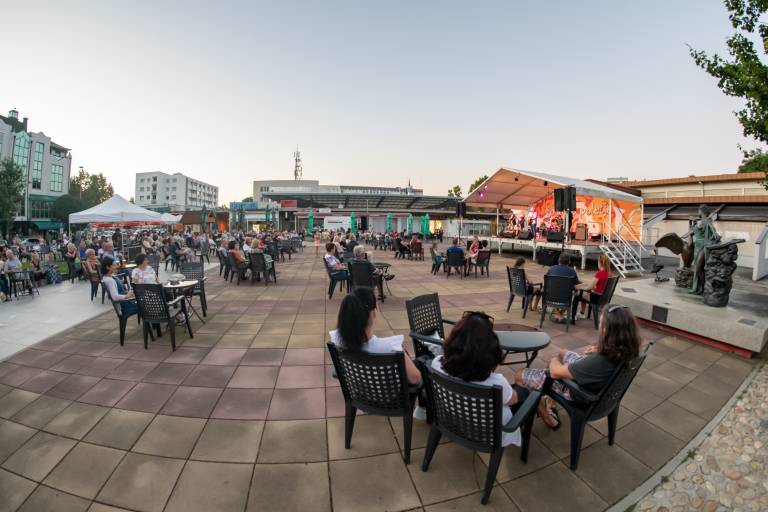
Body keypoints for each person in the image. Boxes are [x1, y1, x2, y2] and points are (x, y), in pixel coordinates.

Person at [515, 304, 641, 429]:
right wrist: (599, 349)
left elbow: (554, 372)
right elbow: (596, 363)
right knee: (562, 353)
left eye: (601, 325)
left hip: (578, 391)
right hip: (597, 386)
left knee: (520, 375)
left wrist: (554, 361)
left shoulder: (598, 361)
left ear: (609, 331)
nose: (599, 329)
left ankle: (549, 418)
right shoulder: (627, 351)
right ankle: (551, 400)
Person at [431, 311, 522, 447]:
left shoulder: (436, 364)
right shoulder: (497, 383)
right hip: (489, 433)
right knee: (524, 393)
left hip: (454, 421)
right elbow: (513, 400)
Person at [330, 287, 423, 415]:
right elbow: (415, 379)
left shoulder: (337, 340)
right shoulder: (391, 347)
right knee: (422, 366)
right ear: (373, 312)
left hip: (361, 395)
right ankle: (423, 410)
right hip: (392, 401)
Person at [573, 254, 612, 320]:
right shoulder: (609, 274)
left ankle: (574, 315)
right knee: (585, 293)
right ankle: (582, 313)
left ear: (600, 263)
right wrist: (584, 285)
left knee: (578, 294)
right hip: (603, 297)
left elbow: (590, 287)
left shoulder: (599, 273)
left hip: (596, 298)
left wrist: (580, 287)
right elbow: (599, 285)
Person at [545, 252, 579, 323]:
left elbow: (547, 281)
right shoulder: (572, 271)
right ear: (569, 262)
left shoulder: (551, 268)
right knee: (575, 293)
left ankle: (559, 314)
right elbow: (576, 287)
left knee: (555, 290)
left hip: (550, 298)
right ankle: (562, 315)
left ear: (559, 260)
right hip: (565, 300)